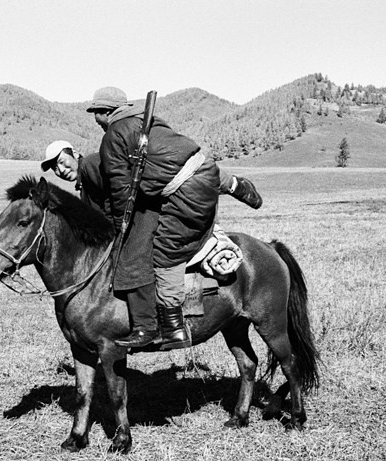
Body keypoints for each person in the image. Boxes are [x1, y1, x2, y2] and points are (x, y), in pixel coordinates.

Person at [40, 123, 261, 350]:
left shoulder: (91, 164)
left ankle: (158, 322)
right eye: (54, 169)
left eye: (61, 162)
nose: (60, 170)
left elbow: (120, 194)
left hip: (146, 214)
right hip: (140, 214)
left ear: (74, 154)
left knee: (136, 262)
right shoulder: (85, 180)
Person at [85, 86, 251, 350]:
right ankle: (232, 184)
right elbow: (172, 159)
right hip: (206, 170)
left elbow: (120, 188)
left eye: (96, 113)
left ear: (106, 112)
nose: (95, 119)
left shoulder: (114, 135)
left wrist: (120, 228)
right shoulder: (147, 122)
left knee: (165, 251)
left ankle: (173, 328)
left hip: (187, 192)